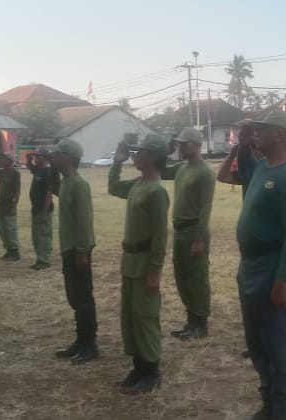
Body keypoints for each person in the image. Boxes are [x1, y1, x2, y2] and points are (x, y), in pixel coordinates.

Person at [237, 111, 286, 420]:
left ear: (279, 135)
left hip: (271, 269)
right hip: (249, 267)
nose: (256, 133)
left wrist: (282, 281)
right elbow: (238, 168)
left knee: (278, 346)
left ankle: (282, 412)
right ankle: (268, 403)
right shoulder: (262, 168)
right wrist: (243, 144)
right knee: (256, 343)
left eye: (262, 130)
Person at [108, 134, 170, 394]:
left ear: (152, 157)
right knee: (131, 318)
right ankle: (138, 367)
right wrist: (117, 162)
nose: (135, 156)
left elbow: (160, 235)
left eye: (140, 152)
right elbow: (113, 188)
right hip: (130, 261)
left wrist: (155, 270)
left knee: (145, 318)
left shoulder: (156, 191)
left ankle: (151, 372)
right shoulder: (138, 184)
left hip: (145, 263)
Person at [51, 140, 98, 364]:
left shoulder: (79, 184)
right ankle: (81, 341)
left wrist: (81, 251)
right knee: (75, 297)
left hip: (78, 249)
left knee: (83, 298)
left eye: (58, 153)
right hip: (69, 248)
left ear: (69, 157)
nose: (54, 156)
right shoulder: (65, 183)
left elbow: (84, 221)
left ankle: (90, 345)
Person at [169, 127, 216, 341]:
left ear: (197, 145)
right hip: (179, 230)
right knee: (182, 277)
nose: (181, 147)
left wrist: (198, 239)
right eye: (179, 144)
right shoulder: (181, 168)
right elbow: (160, 168)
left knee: (197, 278)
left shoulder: (205, 172)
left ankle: (200, 324)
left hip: (194, 230)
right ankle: (191, 321)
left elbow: (205, 208)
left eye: (184, 144)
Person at [0, 152, 21, 262]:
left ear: (9, 161)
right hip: (0, 206)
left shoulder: (15, 173)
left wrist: (14, 206)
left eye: (4, 159)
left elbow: (17, 191)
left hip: (9, 205)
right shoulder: (2, 172)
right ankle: (8, 251)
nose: (2, 160)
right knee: (2, 229)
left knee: (10, 229)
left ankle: (15, 252)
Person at [26, 148, 54, 271]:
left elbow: (49, 193)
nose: (35, 158)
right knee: (36, 236)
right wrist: (29, 160)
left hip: (44, 210)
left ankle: (44, 260)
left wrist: (44, 211)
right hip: (36, 209)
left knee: (44, 235)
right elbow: (30, 167)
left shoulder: (48, 172)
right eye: (35, 156)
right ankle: (40, 258)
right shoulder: (38, 170)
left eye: (38, 157)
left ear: (44, 158)